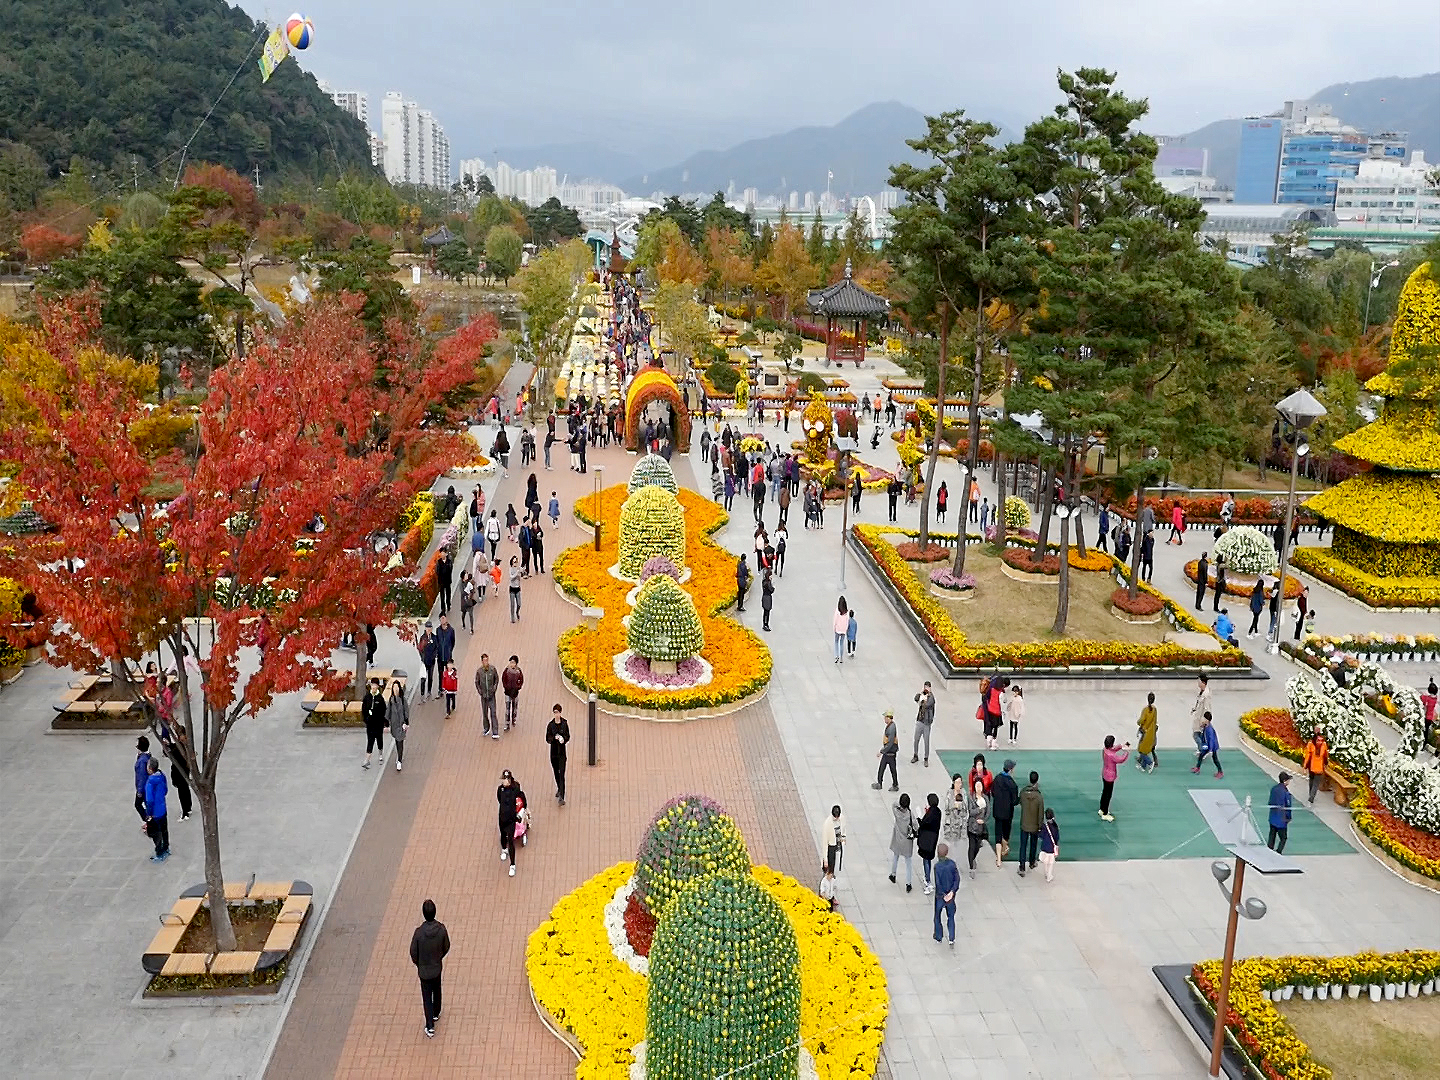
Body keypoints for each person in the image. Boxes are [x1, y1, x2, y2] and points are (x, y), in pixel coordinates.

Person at [410, 899, 451, 1038]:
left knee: (427, 997)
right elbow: (446, 946)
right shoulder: (441, 929)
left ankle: (430, 1026)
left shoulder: (419, 933)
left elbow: (413, 953)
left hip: (424, 971)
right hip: (436, 967)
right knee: (437, 989)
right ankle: (436, 1012)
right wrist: (438, 958)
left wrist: (420, 964)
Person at [991, 759, 1019, 866]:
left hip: (997, 811)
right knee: (1006, 832)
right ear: (1011, 769)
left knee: (998, 833)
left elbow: (993, 792)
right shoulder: (1012, 784)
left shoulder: (997, 779)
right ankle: (1004, 848)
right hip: (1008, 813)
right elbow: (1014, 801)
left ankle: (999, 859)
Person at [888, 793, 918, 892]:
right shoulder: (910, 815)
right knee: (908, 862)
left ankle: (893, 874)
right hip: (907, 841)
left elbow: (894, 804)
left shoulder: (896, 812)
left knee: (895, 856)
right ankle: (908, 883)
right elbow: (916, 826)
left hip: (897, 838)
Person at [932, 842, 960, 946]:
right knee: (951, 916)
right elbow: (957, 879)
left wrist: (943, 894)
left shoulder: (937, 867)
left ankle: (939, 936)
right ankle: (951, 937)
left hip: (940, 896)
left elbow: (938, 883)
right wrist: (952, 892)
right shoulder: (952, 864)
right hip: (951, 896)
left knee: (937, 916)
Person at [497, 770, 524, 876]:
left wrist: (520, 812)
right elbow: (499, 799)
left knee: (511, 841)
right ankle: (504, 849)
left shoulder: (515, 789)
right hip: (502, 818)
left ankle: (512, 865)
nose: (503, 781)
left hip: (511, 819)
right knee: (503, 835)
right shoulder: (500, 789)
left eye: (505, 779)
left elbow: (522, 798)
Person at [143, 758, 170, 861]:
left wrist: (149, 813)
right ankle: (166, 848)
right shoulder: (162, 776)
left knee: (156, 834)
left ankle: (159, 853)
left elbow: (149, 800)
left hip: (155, 812)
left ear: (150, 769)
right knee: (164, 830)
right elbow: (165, 790)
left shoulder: (150, 782)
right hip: (162, 808)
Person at [1017, 771, 1044, 877]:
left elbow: (1020, 802)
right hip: (1034, 825)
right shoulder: (1039, 796)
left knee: (1023, 846)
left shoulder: (1023, 793)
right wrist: (1040, 825)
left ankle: (1022, 866)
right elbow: (1040, 813)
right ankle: (1032, 862)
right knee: (1033, 844)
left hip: (1024, 823)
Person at [1099, 734, 1130, 821]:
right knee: (1108, 795)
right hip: (1110, 777)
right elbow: (1121, 759)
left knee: (1104, 792)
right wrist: (1127, 752)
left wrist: (1121, 746)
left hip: (1105, 774)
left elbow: (1113, 749)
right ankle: (1105, 813)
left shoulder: (1105, 750)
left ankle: (1102, 809)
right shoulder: (1111, 755)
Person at [916, 793, 942, 894]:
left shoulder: (930, 814)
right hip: (933, 839)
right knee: (928, 859)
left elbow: (923, 824)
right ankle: (927, 878)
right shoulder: (938, 812)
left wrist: (919, 817)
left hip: (927, 839)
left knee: (925, 860)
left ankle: (928, 881)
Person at [964, 780, 990, 878]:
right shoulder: (971, 798)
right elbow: (970, 811)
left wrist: (984, 820)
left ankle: (973, 859)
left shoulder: (985, 798)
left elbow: (988, 811)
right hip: (972, 826)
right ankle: (971, 867)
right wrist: (979, 809)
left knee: (977, 846)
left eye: (980, 786)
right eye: (977, 786)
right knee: (972, 846)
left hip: (981, 828)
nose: (979, 788)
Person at [546, 703, 570, 805]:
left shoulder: (564, 724)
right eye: (555, 712)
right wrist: (554, 738)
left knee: (562, 773)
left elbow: (568, 736)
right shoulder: (550, 725)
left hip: (562, 754)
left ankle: (562, 796)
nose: (557, 715)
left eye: (558, 712)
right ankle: (559, 788)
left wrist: (563, 739)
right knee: (556, 772)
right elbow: (547, 738)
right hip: (554, 753)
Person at [910, 681, 936, 766]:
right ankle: (915, 755)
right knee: (916, 739)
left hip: (927, 723)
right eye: (925, 687)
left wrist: (924, 698)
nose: (926, 689)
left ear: (930, 688)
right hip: (920, 720)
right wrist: (920, 696)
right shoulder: (923, 695)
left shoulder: (931, 697)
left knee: (926, 741)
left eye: (928, 687)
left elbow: (927, 705)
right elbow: (916, 699)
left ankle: (926, 758)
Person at [362, 678, 386, 769]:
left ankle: (380, 753)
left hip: (378, 724)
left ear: (378, 686)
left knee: (379, 739)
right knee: (370, 741)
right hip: (370, 724)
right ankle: (367, 760)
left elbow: (383, 711)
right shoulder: (367, 697)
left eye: (375, 685)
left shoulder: (380, 698)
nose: (373, 687)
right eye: (372, 685)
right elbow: (364, 709)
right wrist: (366, 719)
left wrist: (384, 723)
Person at [872, 710, 899, 791]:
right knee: (889, 769)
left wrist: (882, 751)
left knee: (885, 768)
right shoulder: (891, 726)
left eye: (885, 718)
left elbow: (890, 743)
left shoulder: (891, 729)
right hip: (890, 752)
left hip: (889, 752)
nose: (884, 719)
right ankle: (890, 784)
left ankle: (885, 784)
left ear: (888, 718)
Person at [1267, 772, 1293, 853]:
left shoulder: (1274, 789)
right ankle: (1278, 852)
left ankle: (1269, 850)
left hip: (1272, 817)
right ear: (1285, 781)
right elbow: (1288, 807)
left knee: (1272, 835)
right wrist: (1288, 818)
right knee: (1283, 838)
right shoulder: (1286, 792)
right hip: (1282, 819)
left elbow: (1270, 802)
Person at [476, 653, 500, 739]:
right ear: (482, 661)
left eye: (487, 660)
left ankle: (495, 731)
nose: (486, 662)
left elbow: (496, 679)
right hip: (484, 696)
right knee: (485, 713)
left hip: (491, 695)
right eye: (484, 660)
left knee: (493, 713)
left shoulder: (492, 669)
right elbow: (477, 682)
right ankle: (486, 728)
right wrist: (480, 692)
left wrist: (494, 689)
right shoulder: (479, 671)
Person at [1192, 713, 1223, 778]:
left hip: (1212, 747)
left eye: (1204, 718)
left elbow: (1211, 740)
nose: (1202, 719)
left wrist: (1210, 750)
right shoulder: (1206, 726)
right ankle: (1197, 767)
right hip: (1206, 745)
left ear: (1207, 720)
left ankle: (1220, 772)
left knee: (1215, 759)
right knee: (1201, 755)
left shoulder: (1209, 729)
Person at [1303, 729, 1330, 804]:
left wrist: (1305, 767)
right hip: (1319, 767)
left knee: (1311, 781)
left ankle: (1310, 795)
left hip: (1312, 767)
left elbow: (1307, 756)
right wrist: (1326, 764)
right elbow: (1325, 756)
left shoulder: (1311, 744)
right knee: (1315, 783)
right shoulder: (1324, 744)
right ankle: (1312, 797)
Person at [388, 679, 410, 772]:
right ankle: (399, 755)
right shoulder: (391, 700)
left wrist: (406, 722)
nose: (395, 689)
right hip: (394, 724)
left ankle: (400, 760)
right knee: (397, 741)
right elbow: (388, 711)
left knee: (400, 740)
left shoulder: (403, 699)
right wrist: (386, 723)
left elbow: (406, 711)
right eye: (394, 688)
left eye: (397, 688)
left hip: (401, 723)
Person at [1136, 693, 1159, 772]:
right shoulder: (1155, 710)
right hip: (1151, 733)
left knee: (1141, 750)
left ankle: (1150, 763)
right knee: (1146, 750)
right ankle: (1143, 766)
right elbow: (1155, 721)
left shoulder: (1145, 710)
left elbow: (1142, 720)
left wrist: (1138, 722)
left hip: (1145, 732)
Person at [1190, 675, 1212, 754]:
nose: (1198, 683)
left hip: (1201, 718)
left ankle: (1202, 750)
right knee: (1199, 735)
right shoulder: (1201, 692)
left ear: (1203, 683)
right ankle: (1202, 749)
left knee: (1196, 735)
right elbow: (1199, 703)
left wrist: (1206, 720)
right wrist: (1195, 709)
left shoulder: (1206, 695)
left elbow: (1207, 708)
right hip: (1198, 716)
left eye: (1199, 682)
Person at [133, 736, 153, 825]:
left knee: (138, 804)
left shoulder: (142, 760)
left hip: (144, 788)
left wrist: (139, 791)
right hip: (147, 786)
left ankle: (148, 821)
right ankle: (150, 820)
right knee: (147, 804)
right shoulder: (147, 756)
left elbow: (142, 776)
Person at [502, 655, 524, 731]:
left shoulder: (518, 671)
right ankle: (507, 724)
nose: (512, 664)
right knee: (507, 709)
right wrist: (506, 687)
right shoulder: (506, 671)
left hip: (515, 693)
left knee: (514, 708)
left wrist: (518, 687)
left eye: (513, 662)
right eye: (511, 662)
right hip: (507, 693)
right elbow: (503, 679)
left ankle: (513, 719)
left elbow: (521, 680)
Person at [1038, 808, 1060, 882]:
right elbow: (1057, 837)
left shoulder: (1044, 826)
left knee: (1045, 862)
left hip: (1045, 846)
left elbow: (1041, 835)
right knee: (1050, 863)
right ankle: (1049, 876)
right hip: (1051, 848)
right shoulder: (1055, 826)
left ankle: (1046, 873)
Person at [821, 804, 845, 873]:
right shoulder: (827, 824)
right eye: (835, 817)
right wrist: (825, 859)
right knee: (829, 868)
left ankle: (832, 875)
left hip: (837, 844)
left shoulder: (841, 818)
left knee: (835, 864)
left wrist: (843, 838)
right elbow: (824, 843)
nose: (837, 818)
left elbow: (843, 829)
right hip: (830, 846)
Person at [417, 623, 437, 701]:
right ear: (425, 629)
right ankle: (422, 693)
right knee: (423, 678)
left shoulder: (434, 637)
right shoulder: (423, 638)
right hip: (424, 661)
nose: (429, 630)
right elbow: (420, 649)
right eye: (427, 628)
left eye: (430, 628)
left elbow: (436, 648)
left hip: (432, 661)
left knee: (430, 677)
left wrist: (434, 656)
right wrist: (422, 658)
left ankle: (429, 691)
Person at [435, 549, 453, 616]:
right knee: (442, 596)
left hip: (448, 581)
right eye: (441, 554)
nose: (442, 555)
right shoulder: (439, 562)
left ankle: (448, 605)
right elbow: (437, 571)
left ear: (446, 554)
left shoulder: (449, 561)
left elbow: (451, 569)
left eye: (443, 553)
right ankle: (443, 608)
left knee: (448, 594)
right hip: (441, 582)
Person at [832, 596, 849, 663]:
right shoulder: (846, 612)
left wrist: (834, 627)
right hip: (843, 630)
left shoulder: (837, 611)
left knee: (836, 642)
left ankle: (836, 656)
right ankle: (841, 657)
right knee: (841, 643)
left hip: (837, 629)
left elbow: (835, 620)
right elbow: (847, 621)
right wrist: (846, 629)